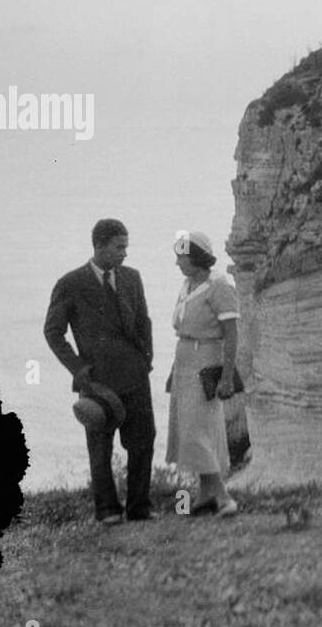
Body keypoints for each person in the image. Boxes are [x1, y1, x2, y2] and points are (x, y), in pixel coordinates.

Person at [44, 218, 156, 524]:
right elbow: (53, 332)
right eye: (119, 247)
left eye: (126, 247)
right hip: (96, 380)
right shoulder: (70, 283)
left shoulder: (132, 278)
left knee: (143, 441)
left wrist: (147, 359)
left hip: (135, 375)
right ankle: (107, 510)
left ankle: (139, 508)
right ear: (99, 246)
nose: (124, 253)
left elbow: (143, 321)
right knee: (100, 445)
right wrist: (79, 370)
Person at [167, 231, 240, 517]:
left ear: (196, 257)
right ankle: (206, 494)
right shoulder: (187, 285)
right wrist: (174, 370)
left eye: (181, 257)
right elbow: (184, 329)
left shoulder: (219, 286)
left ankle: (223, 496)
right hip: (184, 360)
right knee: (188, 430)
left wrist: (226, 377)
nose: (177, 263)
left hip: (206, 361)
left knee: (199, 431)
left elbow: (232, 335)